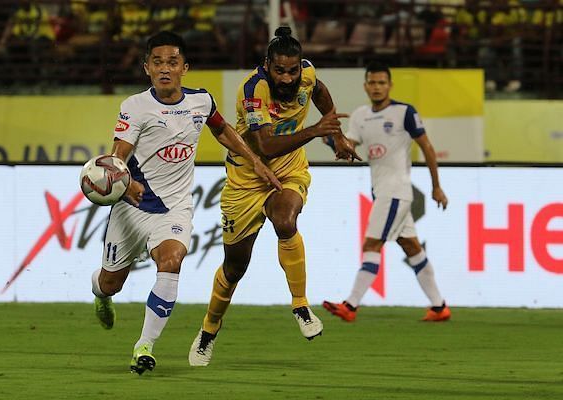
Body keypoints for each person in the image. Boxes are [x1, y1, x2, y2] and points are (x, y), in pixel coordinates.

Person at [90, 30, 281, 375]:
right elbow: (118, 154)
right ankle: (101, 295)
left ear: (185, 67)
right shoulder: (135, 106)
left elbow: (222, 129)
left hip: (175, 208)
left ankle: (144, 346)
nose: (165, 68)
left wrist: (253, 159)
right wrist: (126, 181)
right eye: (158, 62)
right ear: (146, 67)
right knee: (110, 282)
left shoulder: (201, 102)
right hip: (132, 207)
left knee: (172, 259)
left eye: (172, 62)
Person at [188, 26, 360, 367]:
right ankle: (209, 329)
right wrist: (316, 131)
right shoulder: (253, 91)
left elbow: (321, 93)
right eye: (279, 70)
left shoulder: (307, 75)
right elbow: (265, 145)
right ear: (267, 65)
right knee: (235, 267)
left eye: (292, 70)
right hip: (246, 179)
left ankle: (300, 305)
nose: (286, 77)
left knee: (285, 220)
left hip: (289, 171)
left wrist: (337, 136)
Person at [322, 61, 451, 323]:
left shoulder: (404, 112)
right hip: (382, 191)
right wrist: (328, 135)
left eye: (382, 82)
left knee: (372, 243)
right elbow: (348, 148)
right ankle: (439, 307)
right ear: (365, 85)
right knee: (411, 246)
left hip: (396, 191)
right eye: (372, 82)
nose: (377, 87)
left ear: (390, 85)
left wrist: (436, 185)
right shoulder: (360, 116)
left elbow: (426, 146)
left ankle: (350, 305)